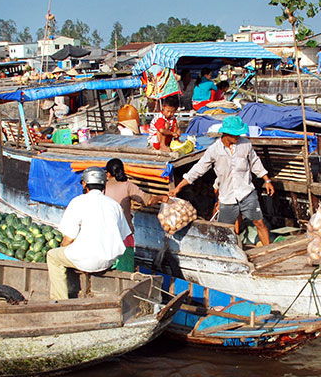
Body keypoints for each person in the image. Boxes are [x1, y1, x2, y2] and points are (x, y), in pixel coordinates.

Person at [169, 116, 275, 246]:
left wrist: (267, 180)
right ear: (225, 133)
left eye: (238, 133)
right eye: (234, 134)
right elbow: (198, 169)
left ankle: (268, 249)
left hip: (246, 192)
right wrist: (178, 187)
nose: (237, 137)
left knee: (259, 222)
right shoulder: (214, 150)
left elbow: (255, 162)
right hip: (227, 197)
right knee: (225, 230)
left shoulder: (245, 144)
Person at [46, 167, 130, 300]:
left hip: (86, 260)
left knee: (53, 256)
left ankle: (60, 300)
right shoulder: (114, 205)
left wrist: (63, 249)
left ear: (84, 184)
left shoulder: (77, 202)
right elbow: (124, 235)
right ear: (104, 184)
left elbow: (68, 238)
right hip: (108, 261)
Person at [104, 159, 166, 271]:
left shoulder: (102, 188)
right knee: (124, 272)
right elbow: (148, 201)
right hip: (124, 236)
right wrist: (161, 197)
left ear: (108, 173)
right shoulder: (127, 186)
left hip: (104, 236)